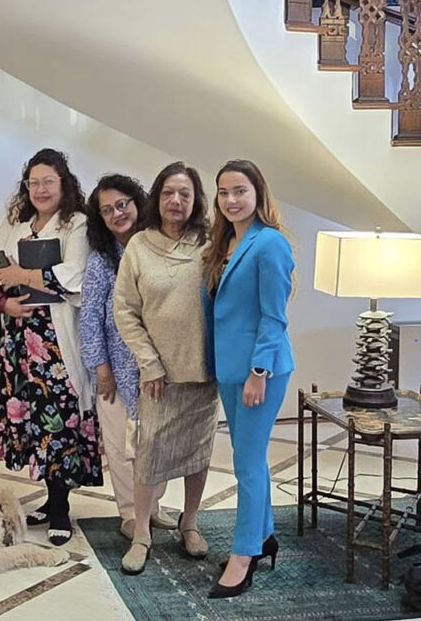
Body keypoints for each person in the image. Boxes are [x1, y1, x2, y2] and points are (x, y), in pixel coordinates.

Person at [0, 148, 102, 546]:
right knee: (32, 421)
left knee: (59, 420)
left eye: (49, 181)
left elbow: (74, 276)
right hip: (18, 340)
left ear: (64, 184)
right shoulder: (16, 222)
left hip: (54, 343)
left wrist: (21, 274)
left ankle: (61, 508)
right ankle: (50, 500)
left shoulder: (76, 223)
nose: (41, 189)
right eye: (34, 183)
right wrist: (5, 301)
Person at [113, 161, 218, 575]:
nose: (176, 201)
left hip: (204, 369)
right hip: (158, 375)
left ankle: (189, 523)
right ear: (157, 198)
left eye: (185, 194)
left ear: (196, 201)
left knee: (198, 452)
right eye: (169, 193)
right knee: (150, 454)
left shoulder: (211, 243)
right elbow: (125, 310)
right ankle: (141, 533)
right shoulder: (139, 245)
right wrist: (149, 363)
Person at [202, 160, 294, 599]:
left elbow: (274, 316)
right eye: (223, 192)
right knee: (247, 455)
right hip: (229, 367)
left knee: (248, 463)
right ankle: (264, 535)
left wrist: (260, 371)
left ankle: (243, 556)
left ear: (258, 193)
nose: (231, 200)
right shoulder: (225, 243)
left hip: (262, 370)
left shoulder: (269, 243)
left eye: (240, 190)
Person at [79, 174, 178, 539]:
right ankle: (130, 513)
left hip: (161, 367)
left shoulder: (160, 246)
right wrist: (102, 369)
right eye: (107, 210)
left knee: (158, 442)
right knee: (123, 446)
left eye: (122, 204)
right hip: (116, 370)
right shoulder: (101, 261)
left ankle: (153, 507)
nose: (117, 213)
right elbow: (89, 319)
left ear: (138, 203)